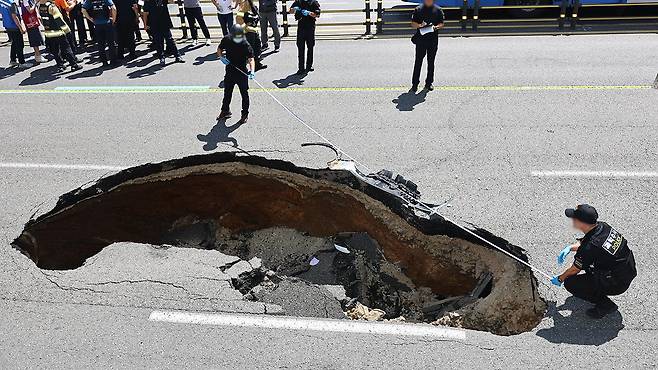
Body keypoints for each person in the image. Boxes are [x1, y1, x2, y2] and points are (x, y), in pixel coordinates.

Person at [552, 204, 637, 319]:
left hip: (617, 283)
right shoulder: (602, 226)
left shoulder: (590, 247)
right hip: (628, 269)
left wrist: (560, 278)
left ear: (581, 222)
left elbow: (574, 269)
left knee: (570, 283)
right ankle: (596, 285)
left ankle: (605, 305)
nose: (572, 220)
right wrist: (570, 248)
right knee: (589, 265)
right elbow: (589, 243)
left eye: (574, 218)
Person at [216, 24, 255, 125]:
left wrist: (252, 70)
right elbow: (219, 49)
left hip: (242, 72)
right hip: (230, 71)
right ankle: (225, 111)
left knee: (244, 94)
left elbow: (251, 58)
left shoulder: (245, 43)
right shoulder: (227, 39)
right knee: (227, 92)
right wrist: (221, 57)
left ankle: (244, 114)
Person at [38, 0, 82, 71]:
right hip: (58, 32)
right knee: (67, 48)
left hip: (49, 33)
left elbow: (42, 20)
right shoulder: (51, 6)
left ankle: (60, 65)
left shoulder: (40, 7)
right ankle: (74, 65)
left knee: (55, 50)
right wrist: (67, 30)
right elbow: (59, 20)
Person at [410, 0, 443, 92]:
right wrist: (420, 25)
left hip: (433, 40)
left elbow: (441, 23)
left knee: (431, 62)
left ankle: (429, 83)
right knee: (418, 62)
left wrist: (436, 27)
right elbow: (413, 24)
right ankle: (415, 84)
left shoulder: (438, 10)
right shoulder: (418, 9)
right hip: (421, 40)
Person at [142, 0, 184, 66]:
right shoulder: (148, 2)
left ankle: (177, 56)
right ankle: (161, 58)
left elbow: (171, 1)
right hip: (154, 24)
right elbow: (145, 14)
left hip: (165, 23)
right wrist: (145, 25)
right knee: (158, 42)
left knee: (170, 40)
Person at [82, 0, 117, 66]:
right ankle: (113, 61)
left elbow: (83, 10)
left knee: (101, 44)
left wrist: (90, 19)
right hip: (107, 22)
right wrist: (114, 20)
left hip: (97, 24)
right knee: (111, 43)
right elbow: (113, 8)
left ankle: (104, 62)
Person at [288, 0, 319, 75]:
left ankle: (309, 65)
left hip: (310, 27)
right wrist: (294, 9)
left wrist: (309, 13)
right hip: (301, 27)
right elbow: (290, 11)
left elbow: (317, 14)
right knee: (300, 47)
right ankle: (301, 68)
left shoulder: (313, 2)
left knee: (310, 46)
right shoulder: (298, 2)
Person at [236, 0, 265, 70]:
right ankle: (242, 67)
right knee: (248, 51)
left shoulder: (254, 8)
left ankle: (257, 64)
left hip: (255, 32)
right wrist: (246, 27)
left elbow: (257, 18)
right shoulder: (242, 8)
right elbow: (238, 20)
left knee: (257, 49)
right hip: (247, 32)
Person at [1, 0, 30, 68]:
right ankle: (22, 62)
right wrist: (21, 28)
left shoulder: (2, 2)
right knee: (20, 44)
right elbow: (15, 17)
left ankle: (13, 60)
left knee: (14, 43)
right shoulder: (12, 4)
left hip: (7, 26)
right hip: (14, 26)